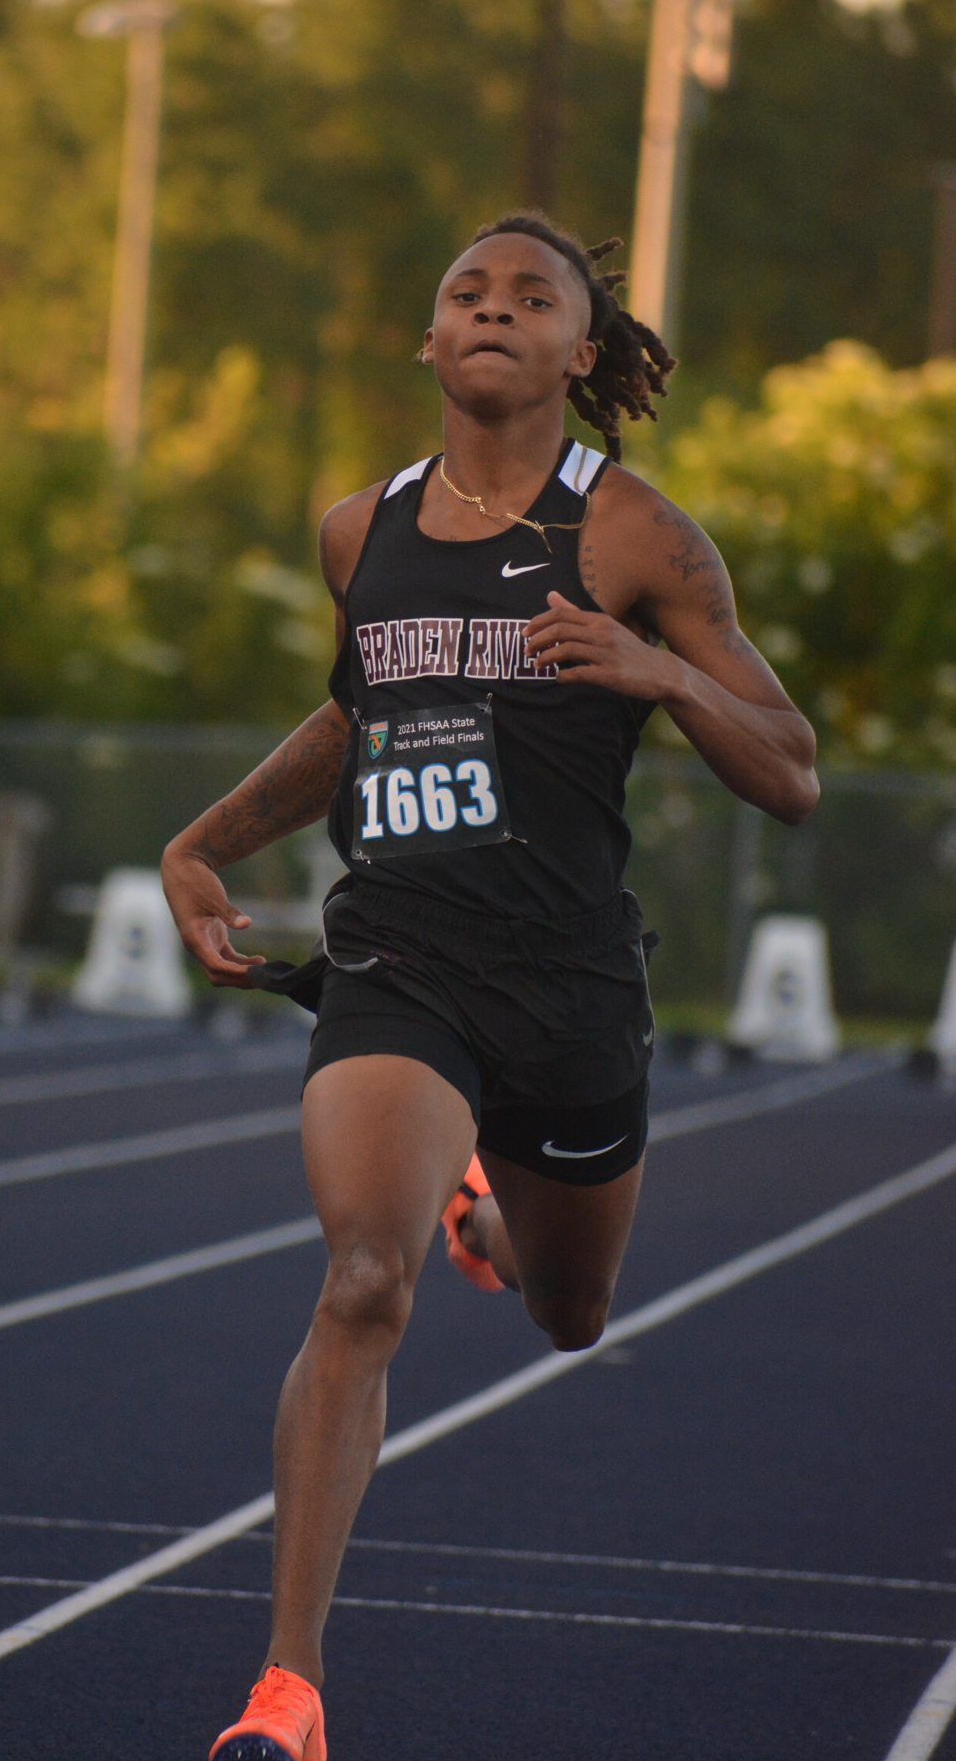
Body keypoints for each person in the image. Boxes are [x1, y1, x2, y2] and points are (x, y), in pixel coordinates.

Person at [161, 214, 819, 1761]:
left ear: (578, 355)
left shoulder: (639, 537)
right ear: (428, 336)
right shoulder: (359, 530)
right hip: (400, 958)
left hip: (572, 984)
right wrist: (200, 843)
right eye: (467, 290)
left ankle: (491, 1219)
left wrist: (661, 672)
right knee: (358, 1279)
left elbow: (789, 770)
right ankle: (288, 1689)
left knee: (572, 1311)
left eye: (534, 298)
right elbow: (356, 712)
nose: (494, 310)